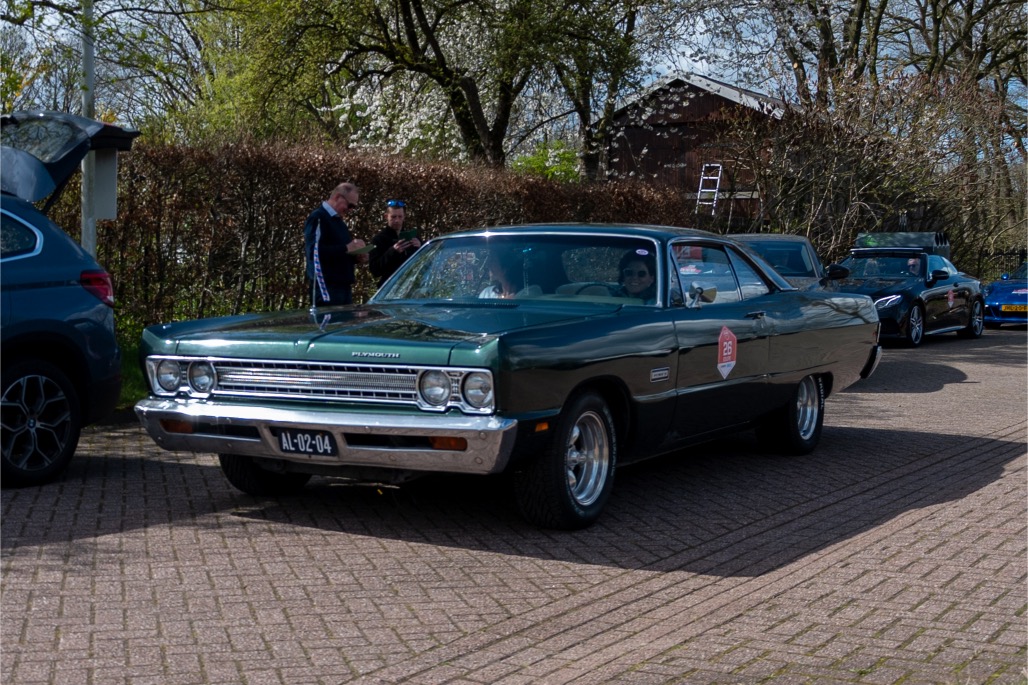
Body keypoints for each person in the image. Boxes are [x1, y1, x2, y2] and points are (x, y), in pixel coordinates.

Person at [304, 182, 366, 306]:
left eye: (353, 207)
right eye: (349, 205)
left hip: (343, 286)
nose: (350, 210)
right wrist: (346, 248)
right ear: (337, 197)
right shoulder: (318, 218)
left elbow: (340, 254)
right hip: (326, 286)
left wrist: (357, 256)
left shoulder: (339, 222)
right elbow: (313, 253)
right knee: (330, 319)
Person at [369, 199, 421, 287]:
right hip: (389, 287)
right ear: (386, 217)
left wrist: (421, 247)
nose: (397, 220)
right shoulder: (379, 240)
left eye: (400, 217)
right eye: (393, 217)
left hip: (410, 285)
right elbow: (375, 270)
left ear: (404, 217)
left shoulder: (413, 237)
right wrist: (393, 251)